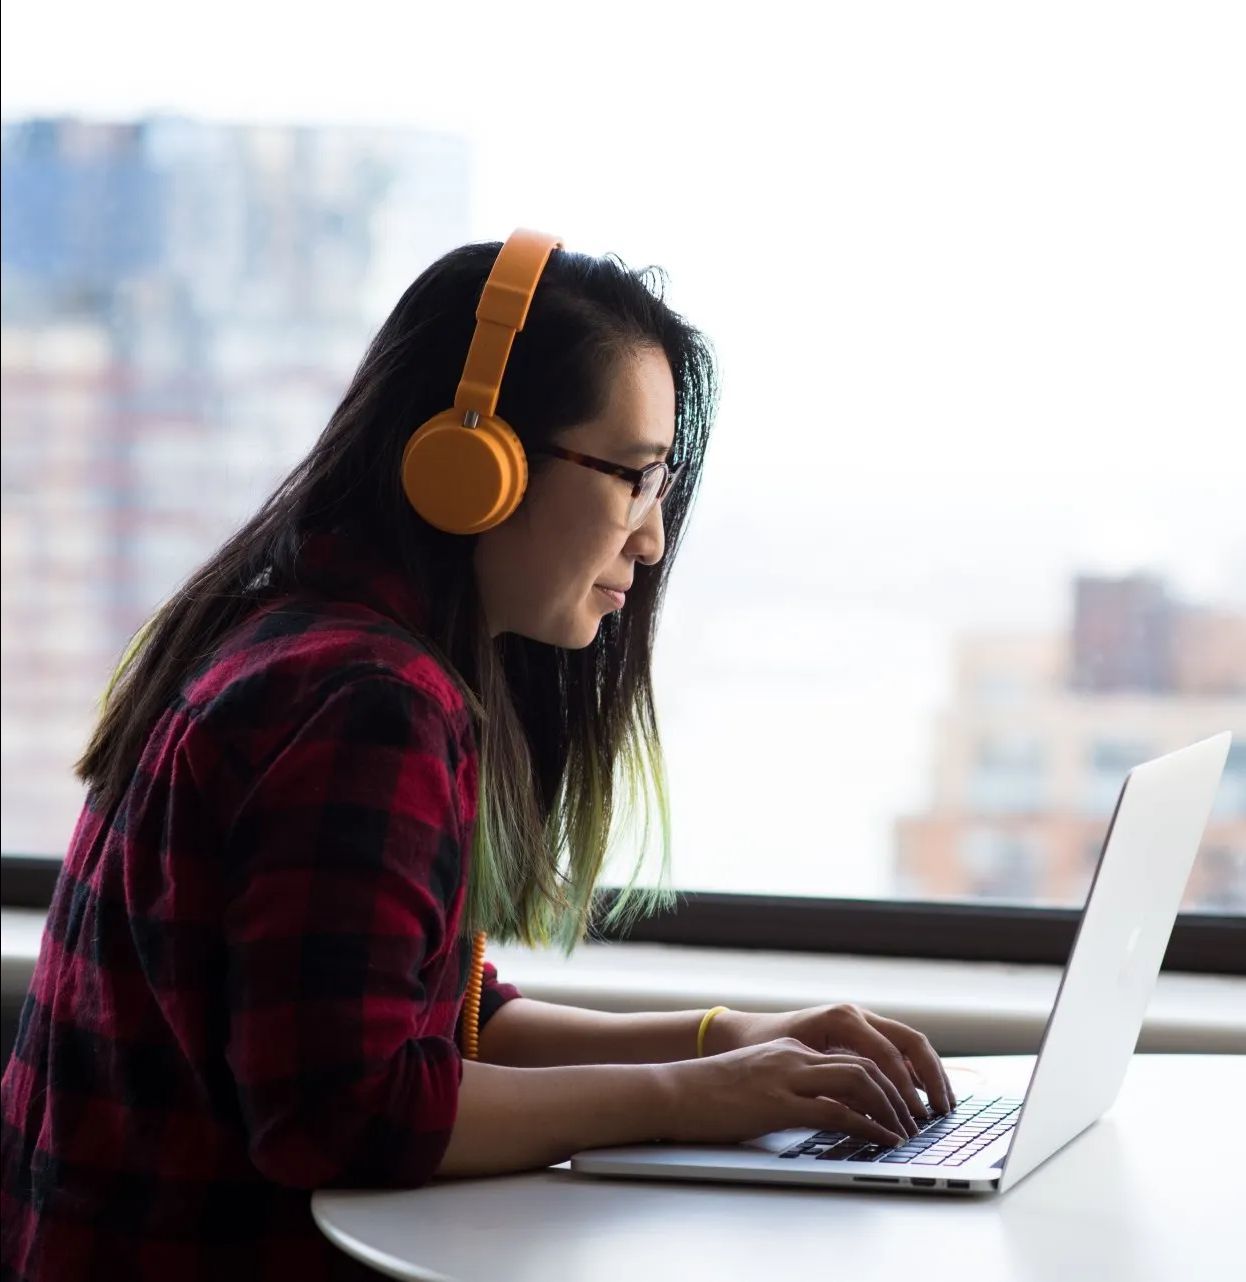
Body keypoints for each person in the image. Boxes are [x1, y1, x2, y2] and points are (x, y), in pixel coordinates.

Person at [0, 229, 956, 1280]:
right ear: (474, 461)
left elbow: (439, 1015)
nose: (649, 538)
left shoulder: (295, 636)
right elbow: (345, 1111)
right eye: (633, 477)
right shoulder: (366, 702)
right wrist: (695, 1100)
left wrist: (722, 1039)